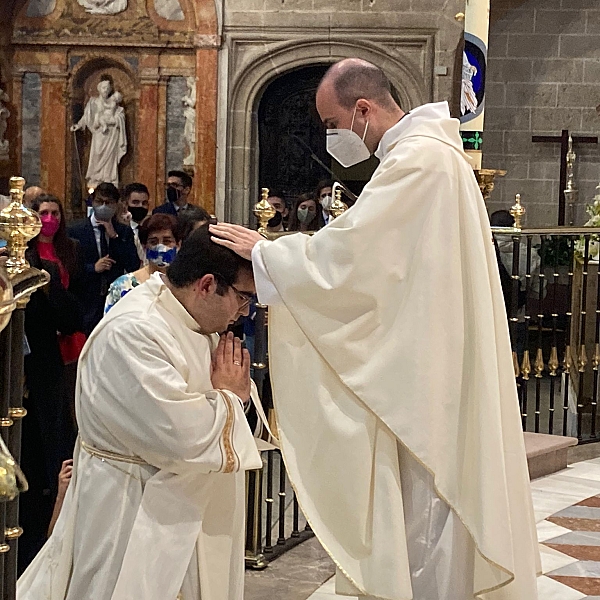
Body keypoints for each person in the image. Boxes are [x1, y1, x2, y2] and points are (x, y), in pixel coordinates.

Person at [210, 58, 540, 600]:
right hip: (429, 352)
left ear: (363, 109)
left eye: (332, 123)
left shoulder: (420, 163)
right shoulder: (428, 157)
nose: (331, 136)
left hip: (426, 376)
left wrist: (268, 255)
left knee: (428, 517)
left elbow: (357, 260)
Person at [18, 226, 270, 600]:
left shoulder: (198, 322)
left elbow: (231, 402)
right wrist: (231, 397)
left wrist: (236, 398)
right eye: (244, 297)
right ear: (204, 285)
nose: (245, 312)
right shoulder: (135, 332)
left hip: (184, 508)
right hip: (132, 511)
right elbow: (181, 438)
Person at [20, 195, 83, 572]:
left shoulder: (40, 273)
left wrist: (43, 283)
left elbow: (71, 316)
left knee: (39, 483)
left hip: (41, 393)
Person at [68, 182, 140, 335]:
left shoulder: (124, 232)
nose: (103, 206)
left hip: (114, 299)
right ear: (93, 202)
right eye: (100, 202)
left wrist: (114, 236)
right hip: (86, 299)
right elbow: (70, 267)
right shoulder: (76, 230)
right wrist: (92, 268)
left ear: (116, 205)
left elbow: (133, 264)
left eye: (108, 203)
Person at [104, 213, 180, 312]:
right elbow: (110, 325)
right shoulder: (122, 286)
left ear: (178, 245)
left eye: (167, 241)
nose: (161, 247)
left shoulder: (187, 287)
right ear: (144, 247)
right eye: (153, 242)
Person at [122, 182, 150, 262]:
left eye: (144, 203)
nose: (140, 206)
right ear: (125, 204)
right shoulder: (122, 229)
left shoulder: (149, 228)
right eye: (135, 202)